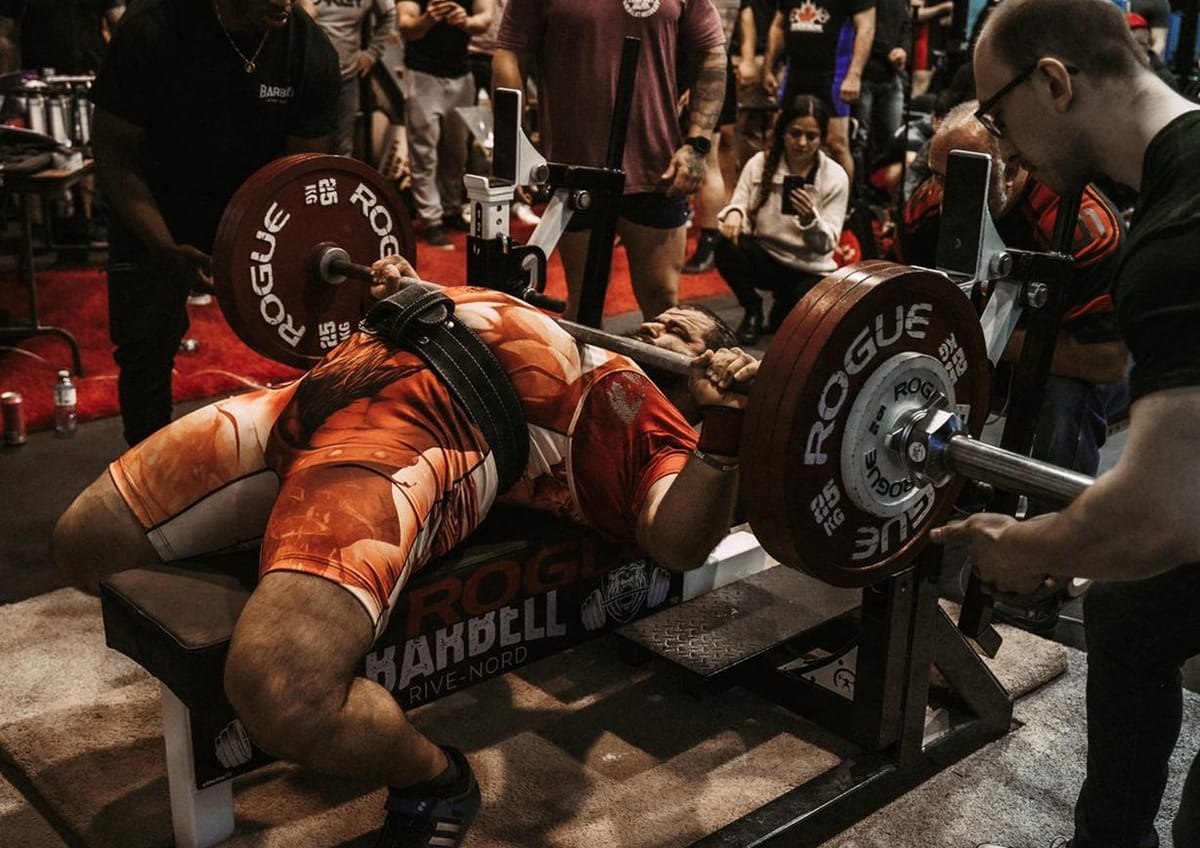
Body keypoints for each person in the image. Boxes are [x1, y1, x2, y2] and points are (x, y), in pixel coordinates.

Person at [51, 253, 757, 848]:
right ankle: (287, 597)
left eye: (689, 334)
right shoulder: (579, 334)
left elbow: (678, 539)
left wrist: (723, 433)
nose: (663, 326)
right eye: (665, 320)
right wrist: (408, 285)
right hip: (317, 391)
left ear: (710, 373)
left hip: (409, 442)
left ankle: (433, 780)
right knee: (86, 543)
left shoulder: (652, 425)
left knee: (282, 690)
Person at [927, 2, 1200, 847]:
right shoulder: (1179, 176)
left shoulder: (1174, 236)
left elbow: (1158, 519)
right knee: (1127, 618)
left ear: (1053, 81)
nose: (1003, 150)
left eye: (1001, 121)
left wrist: (1030, 548)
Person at [905, 99, 1129, 631]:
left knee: (1062, 396)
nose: (943, 192)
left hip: (1089, 362)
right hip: (992, 340)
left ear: (1014, 165)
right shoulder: (927, 206)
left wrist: (988, 341)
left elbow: (1107, 361)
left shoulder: (1087, 231)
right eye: (937, 174)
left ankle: (1050, 561)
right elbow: (906, 308)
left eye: (965, 177)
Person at [89, 0, 339, 446]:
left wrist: (255, 248)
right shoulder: (152, 30)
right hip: (154, 204)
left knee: (319, 327)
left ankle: (309, 467)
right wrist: (164, 248)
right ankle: (148, 477)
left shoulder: (309, 50)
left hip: (254, 205)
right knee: (145, 345)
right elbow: (114, 157)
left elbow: (303, 177)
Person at [492, 0, 728, 322]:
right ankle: (590, 374)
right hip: (575, 169)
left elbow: (710, 53)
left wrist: (697, 145)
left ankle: (659, 375)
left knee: (663, 301)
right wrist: (514, 150)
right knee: (585, 304)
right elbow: (510, 53)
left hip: (658, 168)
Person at [714, 94, 849, 345]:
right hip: (767, 256)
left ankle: (783, 304)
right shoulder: (760, 162)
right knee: (724, 245)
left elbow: (827, 245)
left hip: (810, 268)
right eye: (795, 133)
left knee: (785, 331)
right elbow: (739, 202)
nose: (802, 143)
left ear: (822, 138)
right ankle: (752, 308)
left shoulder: (835, 176)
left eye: (811, 136)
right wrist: (735, 213)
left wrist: (811, 220)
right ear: (782, 132)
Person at [397, 0, 494, 249]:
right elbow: (405, 26)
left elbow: (485, 19)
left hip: (461, 73)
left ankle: (451, 209)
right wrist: (426, 20)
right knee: (424, 153)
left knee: (457, 151)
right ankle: (432, 220)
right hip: (422, 73)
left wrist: (465, 21)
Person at [763, 0, 875, 186]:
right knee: (778, 138)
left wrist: (854, 75)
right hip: (796, 71)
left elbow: (866, 27)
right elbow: (778, 25)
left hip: (834, 72)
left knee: (837, 143)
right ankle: (773, 197)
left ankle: (841, 206)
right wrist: (768, 67)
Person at [310, 0, 397, 158]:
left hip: (346, 77)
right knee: (308, 149)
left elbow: (389, 14)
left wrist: (372, 54)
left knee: (343, 148)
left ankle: (340, 183)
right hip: (308, 76)